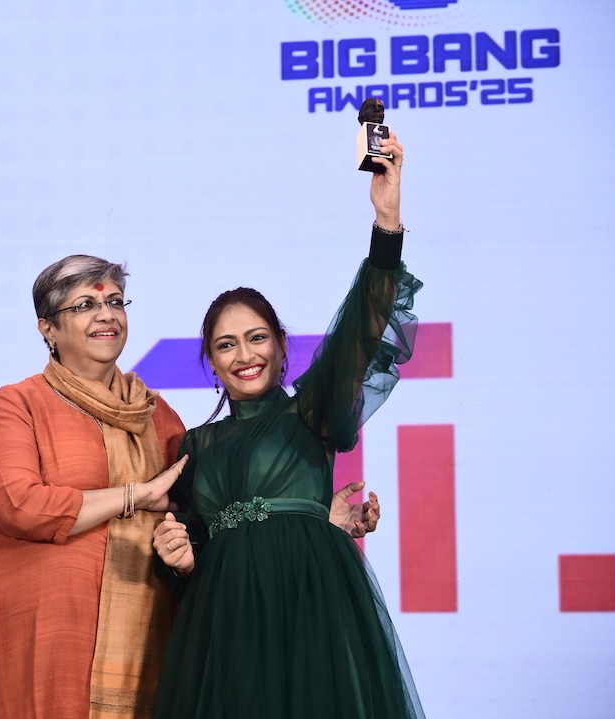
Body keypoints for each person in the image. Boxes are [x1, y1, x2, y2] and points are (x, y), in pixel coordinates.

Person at [0, 256, 381, 719]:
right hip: (39, 632)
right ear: (48, 329)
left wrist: (307, 515)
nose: (106, 315)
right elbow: (17, 504)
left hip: (139, 646)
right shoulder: (20, 404)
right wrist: (134, 496)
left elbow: (201, 525)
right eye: (85, 305)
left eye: (115, 302)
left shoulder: (159, 419)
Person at [152, 133, 426, 718]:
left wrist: (386, 221)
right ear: (210, 362)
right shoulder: (193, 447)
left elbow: (360, 330)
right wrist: (177, 558)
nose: (244, 355)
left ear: (280, 346)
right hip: (226, 629)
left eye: (257, 338)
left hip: (311, 608)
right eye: (226, 344)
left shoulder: (311, 412)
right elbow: (187, 556)